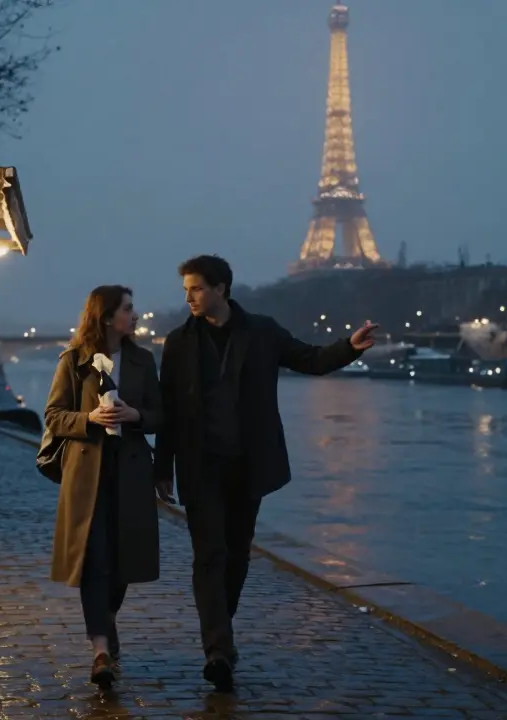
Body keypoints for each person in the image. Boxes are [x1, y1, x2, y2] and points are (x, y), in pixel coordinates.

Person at [153, 255, 377, 692]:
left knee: (237, 555)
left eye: (196, 289)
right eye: (186, 291)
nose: (190, 298)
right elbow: (170, 408)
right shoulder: (178, 342)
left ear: (221, 288)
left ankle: (222, 635)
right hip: (200, 467)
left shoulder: (263, 332)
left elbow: (310, 359)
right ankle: (217, 648)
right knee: (209, 557)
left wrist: (348, 347)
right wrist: (163, 467)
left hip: (248, 464)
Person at [44, 285, 163, 688]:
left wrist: (136, 415)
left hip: (130, 473)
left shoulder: (143, 361)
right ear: (108, 316)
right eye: (129, 308)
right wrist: (90, 419)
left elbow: (161, 416)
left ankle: (106, 623)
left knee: (122, 563)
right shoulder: (73, 361)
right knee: (94, 560)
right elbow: (54, 416)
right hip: (86, 475)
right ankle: (99, 651)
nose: (135, 314)